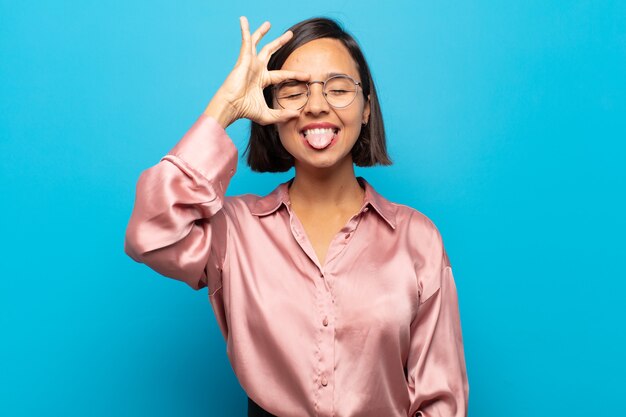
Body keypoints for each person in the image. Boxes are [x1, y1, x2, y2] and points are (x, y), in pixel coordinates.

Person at [124, 15, 469, 417]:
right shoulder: (233, 230)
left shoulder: (417, 238)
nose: (317, 105)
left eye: (339, 88)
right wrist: (225, 106)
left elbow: (441, 401)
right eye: (293, 91)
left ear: (366, 109)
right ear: (270, 110)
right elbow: (149, 231)